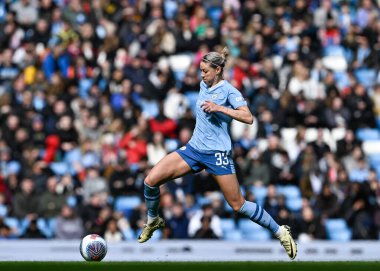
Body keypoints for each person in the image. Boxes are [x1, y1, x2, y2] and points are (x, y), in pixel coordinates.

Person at [137, 47, 297, 260]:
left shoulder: (230, 91)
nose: (201, 75)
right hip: (195, 149)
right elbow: (215, 70)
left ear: (217, 70)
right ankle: (153, 220)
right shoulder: (205, 83)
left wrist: (219, 109)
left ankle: (280, 231)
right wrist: (224, 56)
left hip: (218, 154)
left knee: (237, 204)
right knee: (151, 180)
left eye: (205, 71)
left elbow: (248, 117)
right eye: (201, 70)